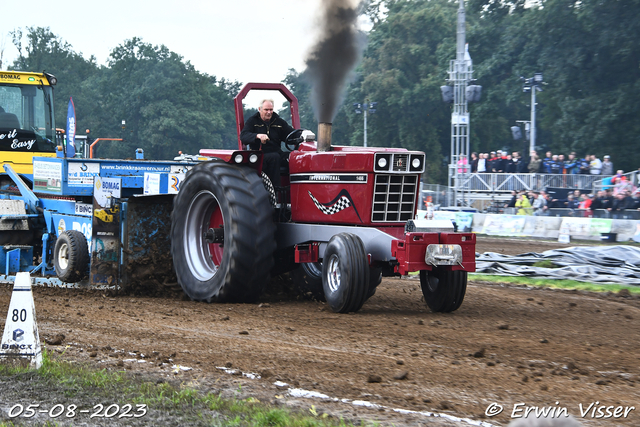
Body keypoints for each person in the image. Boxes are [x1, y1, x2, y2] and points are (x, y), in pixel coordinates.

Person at [240, 99, 294, 186]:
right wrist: (257, 136)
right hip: (259, 155)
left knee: (294, 157)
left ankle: (294, 189)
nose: (269, 112)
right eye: (266, 110)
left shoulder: (279, 122)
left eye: (271, 110)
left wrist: (303, 134)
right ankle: (276, 190)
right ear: (260, 109)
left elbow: (291, 134)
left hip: (277, 152)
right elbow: (243, 136)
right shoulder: (253, 121)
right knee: (274, 157)